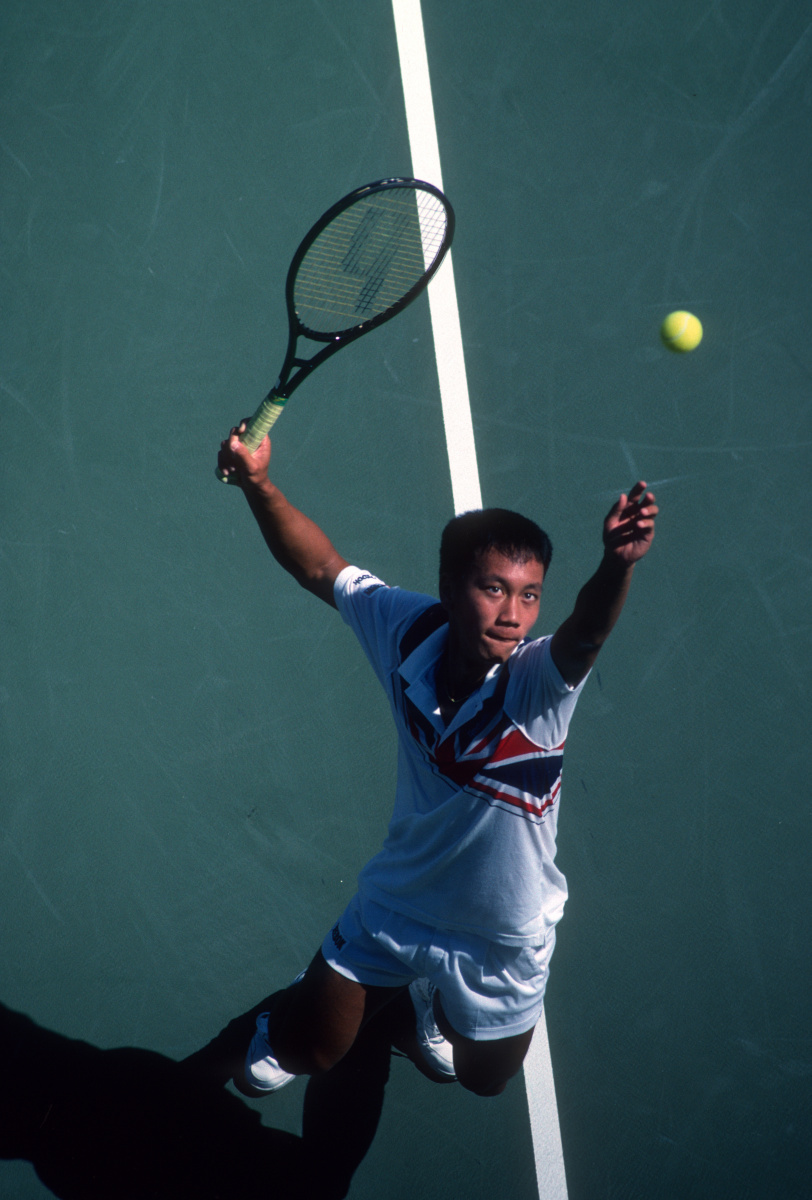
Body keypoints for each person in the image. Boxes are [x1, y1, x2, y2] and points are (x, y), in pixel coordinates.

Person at [215, 422, 658, 1102]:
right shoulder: (408, 629)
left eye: (530, 595)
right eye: (494, 589)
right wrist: (260, 484)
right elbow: (321, 569)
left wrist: (618, 563)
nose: (514, 615)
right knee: (312, 1050)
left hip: (502, 931)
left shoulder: (538, 686)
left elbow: (588, 631)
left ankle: (425, 1006)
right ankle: (286, 1023)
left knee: (481, 1079)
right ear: (450, 588)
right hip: (403, 895)